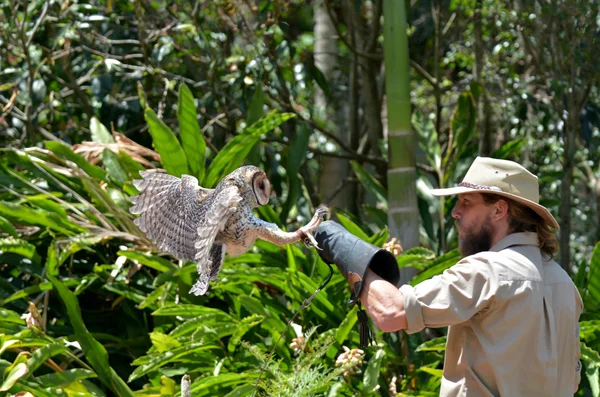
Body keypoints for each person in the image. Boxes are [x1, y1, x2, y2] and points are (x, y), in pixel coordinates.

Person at [315, 156, 583, 397]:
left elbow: (391, 312)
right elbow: (571, 382)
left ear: (499, 210)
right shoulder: (565, 285)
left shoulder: (488, 270)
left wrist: (342, 246)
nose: (455, 212)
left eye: (466, 202)